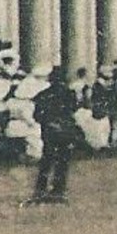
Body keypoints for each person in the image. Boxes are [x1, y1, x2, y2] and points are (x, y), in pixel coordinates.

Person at [27, 67, 80, 205]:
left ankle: (40, 189)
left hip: (49, 131)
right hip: (65, 131)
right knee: (63, 162)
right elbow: (73, 110)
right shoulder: (69, 94)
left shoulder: (43, 95)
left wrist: (48, 122)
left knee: (47, 160)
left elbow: (37, 115)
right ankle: (58, 189)